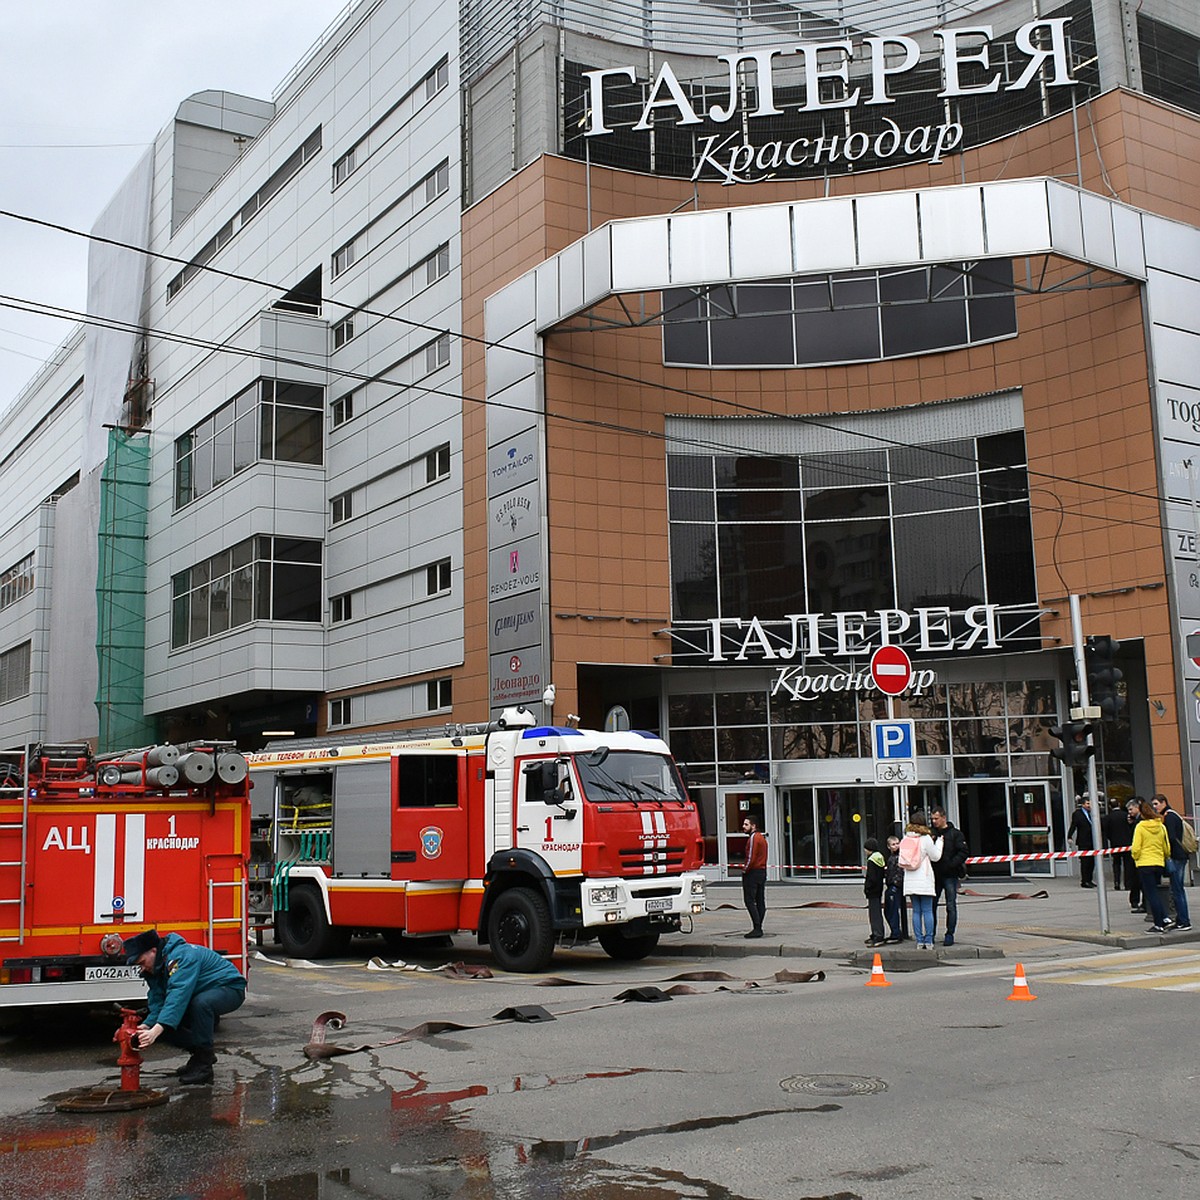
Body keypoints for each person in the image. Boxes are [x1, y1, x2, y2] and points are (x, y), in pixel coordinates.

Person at [122, 928, 247, 1085]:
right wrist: (148, 1025)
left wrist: (157, 1029)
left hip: (229, 989)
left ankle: (204, 1068)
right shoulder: (156, 965)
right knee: (165, 1024)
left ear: (153, 951)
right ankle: (200, 1056)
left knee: (201, 1004)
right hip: (201, 993)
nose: (142, 968)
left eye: (141, 963)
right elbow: (159, 999)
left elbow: (178, 995)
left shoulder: (180, 957)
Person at [1129, 799, 1173, 933]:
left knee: (1150, 894)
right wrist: (1164, 857)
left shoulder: (1140, 827)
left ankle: (1159, 923)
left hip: (1145, 863)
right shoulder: (1161, 826)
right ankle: (1165, 918)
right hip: (1158, 862)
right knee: (1156, 892)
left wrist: (1136, 857)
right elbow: (1166, 847)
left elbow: (1136, 847)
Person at [899, 815, 942, 949]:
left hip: (910, 880)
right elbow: (935, 857)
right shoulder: (925, 839)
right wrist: (939, 843)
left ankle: (919, 940)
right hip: (924, 879)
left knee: (916, 911)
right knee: (928, 911)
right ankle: (928, 940)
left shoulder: (905, 839)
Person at [1151, 794, 1192, 932]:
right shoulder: (1173, 815)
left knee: (1177, 889)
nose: (1155, 807)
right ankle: (1182, 919)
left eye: (1156, 804)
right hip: (1180, 855)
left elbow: (1171, 837)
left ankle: (1184, 920)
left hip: (1176, 857)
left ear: (1164, 802)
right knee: (1177, 889)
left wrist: (1165, 852)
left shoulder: (1169, 817)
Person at [930, 806, 968, 947]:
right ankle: (930, 933)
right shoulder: (931, 834)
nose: (934, 821)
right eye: (932, 818)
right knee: (931, 906)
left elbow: (963, 852)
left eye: (936, 818)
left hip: (950, 875)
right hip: (934, 875)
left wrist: (951, 864)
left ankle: (949, 934)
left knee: (950, 905)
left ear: (944, 818)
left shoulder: (955, 834)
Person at [740, 816, 767, 939]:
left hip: (753, 872)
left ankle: (757, 927)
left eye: (746, 824)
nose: (743, 827)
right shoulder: (762, 838)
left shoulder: (754, 838)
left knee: (749, 900)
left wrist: (745, 870)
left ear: (753, 826)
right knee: (760, 900)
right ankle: (758, 926)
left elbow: (751, 857)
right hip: (761, 871)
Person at [883, 834, 908, 943]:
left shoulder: (899, 857)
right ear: (889, 847)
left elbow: (900, 872)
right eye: (893, 844)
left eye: (897, 843)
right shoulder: (892, 857)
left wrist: (896, 883)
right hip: (892, 884)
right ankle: (895, 932)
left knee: (892, 910)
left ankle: (896, 933)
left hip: (895, 886)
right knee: (889, 910)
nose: (896, 846)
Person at [1103, 798, 1132, 890]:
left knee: (1116, 864)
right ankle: (1128, 884)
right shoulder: (1126, 815)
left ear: (1110, 806)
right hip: (1127, 843)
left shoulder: (1108, 817)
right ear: (1119, 804)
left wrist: (1110, 838)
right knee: (1127, 864)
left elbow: (1105, 831)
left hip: (1115, 844)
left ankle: (1117, 883)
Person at [863, 837, 887, 947]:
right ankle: (877, 934)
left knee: (874, 914)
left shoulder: (871, 860)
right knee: (876, 913)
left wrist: (867, 888)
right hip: (878, 889)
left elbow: (871, 877)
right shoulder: (880, 858)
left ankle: (878, 936)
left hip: (872, 891)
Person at [1067, 796, 1096, 887]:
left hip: (1092, 841)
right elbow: (1073, 825)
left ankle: (1089, 879)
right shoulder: (1077, 814)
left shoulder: (1092, 813)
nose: (1089, 805)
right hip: (1083, 841)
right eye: (1088, 803)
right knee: (1085, 862)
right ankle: (1084, 881)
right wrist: (1069, 836)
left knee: (1092, 862)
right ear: (1083, 804)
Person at [1125, 799, 1144, 913]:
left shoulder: (1140, 822)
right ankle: (1135, 900)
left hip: (1139, 856)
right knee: (1136, 879)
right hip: (1137, 855)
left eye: (1131, 809)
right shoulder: (1135, 821)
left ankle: (1137, 901)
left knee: (1138, 879)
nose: (1129, 812)